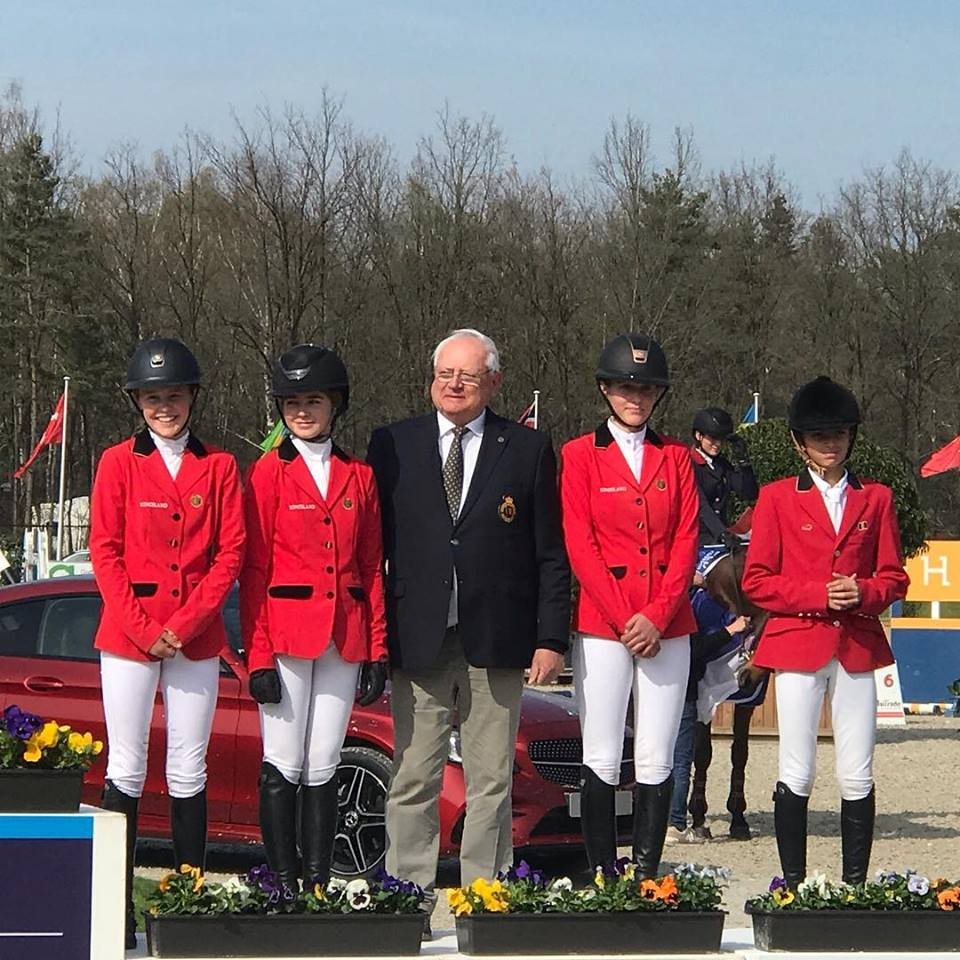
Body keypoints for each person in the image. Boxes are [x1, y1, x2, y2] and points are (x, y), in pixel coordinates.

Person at [366, 328, 570, 906]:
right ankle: (408, 895)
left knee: (491, 782)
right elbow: (369, 547)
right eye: (444, 374)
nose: (453, 385)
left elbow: (550, 553)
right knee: (413, 778)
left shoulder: (526, 449)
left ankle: (485, 898)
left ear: (494, 383)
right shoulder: (393, 444)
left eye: (468, 375)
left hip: (498, 640)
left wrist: (551, 637)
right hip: (418, 637)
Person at [90, 338, 245, 948]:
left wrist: (186, 622)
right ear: (139, 402)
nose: (164, 408)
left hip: (196, 635)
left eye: (173, 396)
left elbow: (230, 552)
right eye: (153, 398)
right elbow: (104, 551)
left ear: (192, 398)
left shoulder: (221, 467)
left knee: (189, 767)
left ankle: (187, 897)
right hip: (130, 634)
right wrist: (144, 627)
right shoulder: (116, 463)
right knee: (125, 767)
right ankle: (116, 906)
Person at [742, 376, 909, 888]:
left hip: (856, 644)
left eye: (838, 434)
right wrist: (818, 594)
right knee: (797, 767)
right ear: (800, 443)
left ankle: (855, 886)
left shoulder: (876, 498)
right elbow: (757, 580)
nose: (830, 444)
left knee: (857, 769)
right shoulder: (775, 498)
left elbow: (895, 576)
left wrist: (861, 592)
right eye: (819, 436)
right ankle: (792, 883)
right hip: (798, 643)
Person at [240, 344, 388, 894]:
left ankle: (319, 884)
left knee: (324, 760)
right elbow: (253, 571)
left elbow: (372, 567)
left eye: (314, 400)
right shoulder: (267, 473)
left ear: (336, 405)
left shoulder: (360, 476)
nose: (302, 411)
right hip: (285, 633)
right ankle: (282, 882)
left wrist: (377, 647)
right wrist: (256, 656)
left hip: (343, 636)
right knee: (283, 761)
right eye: (293, 402)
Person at [559, 332, 699, 878]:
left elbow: (687, 541)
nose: (634, 397)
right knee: (600, 752)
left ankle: (645, 872)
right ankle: (601, 872)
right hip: (604, 622)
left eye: (644, 389)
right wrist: (625, 619)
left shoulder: (677, 459)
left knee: (656, 755)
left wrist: (658, 615)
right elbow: (580, 544)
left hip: (667, 624)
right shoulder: (579, 456)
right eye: (624, 387)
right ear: (605, 390)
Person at [666, 589, 749, 844]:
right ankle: (677, 823)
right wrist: (731, 630)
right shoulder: (684, 613)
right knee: (681, 762)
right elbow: (696, 649)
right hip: (684, 689)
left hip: (657, 689)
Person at [690, 407, 758, 552]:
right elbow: (701, 506)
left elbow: (748, 494)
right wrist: (721, 533)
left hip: (722, 534)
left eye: (721, 439)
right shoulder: (689, 465)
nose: (718, 444)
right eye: (713, 438)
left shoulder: (722, 465)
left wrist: (743, 462)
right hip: (695, 537)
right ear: (698, 436)